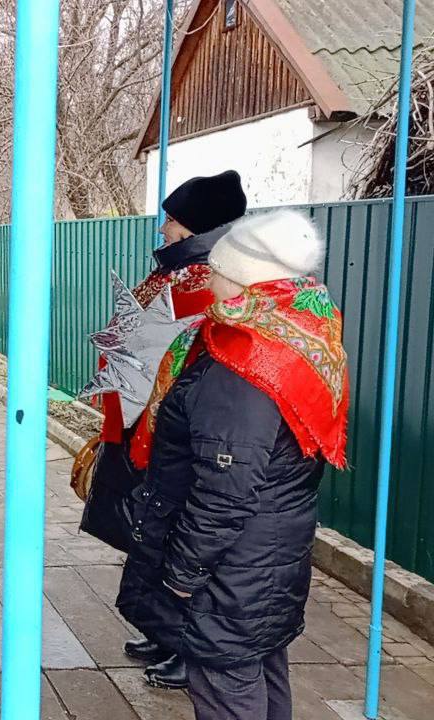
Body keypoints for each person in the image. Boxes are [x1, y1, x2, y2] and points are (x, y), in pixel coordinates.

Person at [116, 210, 348, 719]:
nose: (209, 277)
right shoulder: (302, 328)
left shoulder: (244, 362)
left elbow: (225, 492)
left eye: (219, 269)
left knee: (226, 684)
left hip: (231, 565)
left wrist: (181, 573)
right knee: (261, 668)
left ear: (247, 280)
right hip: (269, 552)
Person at [81, 170, 247, 689]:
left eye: (172, 220)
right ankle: (162, 629)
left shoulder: (211, 280)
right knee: (148, 530)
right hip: (138, 424)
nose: (164, 230)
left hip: (171, 432)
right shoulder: (179, 273)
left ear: (196, 225)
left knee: (178, 536)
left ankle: (187, 645)